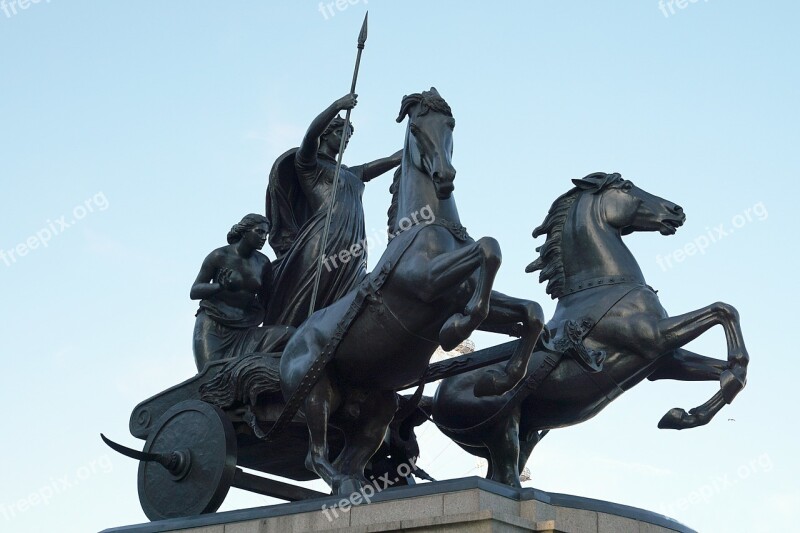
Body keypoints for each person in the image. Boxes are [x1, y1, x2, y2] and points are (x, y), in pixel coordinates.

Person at [264, 93, 402, 327]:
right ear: (328, 133)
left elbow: (390, 159)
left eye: (349, 138)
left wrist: (418, 139)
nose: (346, 141)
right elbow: (310, 136)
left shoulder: (352, 172)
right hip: (323, 239)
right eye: (342, 134)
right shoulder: (309, 165)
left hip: (354, 242)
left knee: (351, 298)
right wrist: (337, 106)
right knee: (312, 296)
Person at [191, 214, 294, 372]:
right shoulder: (219, 256)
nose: (263, 238)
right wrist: (219, 286)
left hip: (246, 329)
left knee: (289, 335)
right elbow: (194, 291)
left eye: (266, 234)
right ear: (245, 232)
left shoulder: (263, 263)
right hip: (213, 327)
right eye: (259, 232)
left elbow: (268, 297)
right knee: (212, 376)